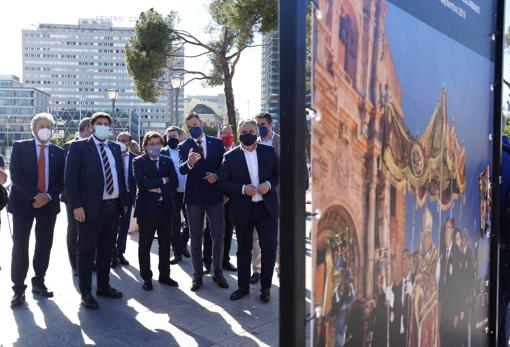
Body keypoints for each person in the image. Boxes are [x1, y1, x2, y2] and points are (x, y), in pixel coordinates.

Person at [65, 112, 129, 309]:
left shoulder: (115, 148)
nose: (103, 126)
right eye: (99, 123)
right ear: (91, 127)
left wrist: (124, 201)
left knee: (107, 249)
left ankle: (103, 286)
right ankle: (86, 292)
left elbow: (119, 176)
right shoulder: (78, 147)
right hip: (89, 209)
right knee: (85, 252)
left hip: (112, 207)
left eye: (106, 124)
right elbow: (70, 181)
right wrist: (77, 205)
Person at [9, 113, 65, 308]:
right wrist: (36, 195)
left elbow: (61, 180)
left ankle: (39, 281)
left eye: (49, 126)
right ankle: (18, 289)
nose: (46, 129)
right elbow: (16, 175)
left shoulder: (58, 152)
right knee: (20, 245)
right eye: (42, 125)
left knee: (44, 244)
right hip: (24, 204)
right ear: (33, 129)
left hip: (48, 206)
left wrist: (47, 196)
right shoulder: (20, 147)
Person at [220, 119, 279, 303]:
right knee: (243, 250)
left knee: (269, 248)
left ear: (256, 132)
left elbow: (278, 174)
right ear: (239, 134)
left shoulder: (268, 152)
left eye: (251, 130)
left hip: (266, 208)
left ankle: (266, 287)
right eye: (244, 131)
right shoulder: (230, 157)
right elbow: (224, 183)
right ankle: (242, 287)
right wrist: (242, 189)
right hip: (242, 209)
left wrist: (268, 185)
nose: (248, 133)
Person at [178, 112, 228, 291]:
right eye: (189, 126)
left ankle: (218, 272)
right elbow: (182, 169)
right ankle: (197, 275)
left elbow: (225, 167)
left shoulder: (217, 143)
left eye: (195, 124)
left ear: (201, 122)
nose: (193, 128)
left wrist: (217, 176)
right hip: (194, 198)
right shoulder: (184, 146)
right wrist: (190, 163)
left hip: (214, 196)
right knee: (196, 236)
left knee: (218, 235)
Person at [134, 131, 179, 290]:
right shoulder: (138, 161)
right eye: (151, 144)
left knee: (165, 244)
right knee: (144, 245)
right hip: (146, 210)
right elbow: (142, 183)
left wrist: (156, 186)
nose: (155, 147)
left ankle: (165, 275)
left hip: (166, 209)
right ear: (145, 146)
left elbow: (174, 183)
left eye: (158, 143)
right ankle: (146, 277)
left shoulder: (167, 161)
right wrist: (162, 181)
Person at [250, 112, 280, 284]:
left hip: (277, 196)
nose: (260, 127)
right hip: (257, 198)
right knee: (255, 237)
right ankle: (257, 269)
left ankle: (279, 267)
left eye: (262, 124)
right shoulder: (254, 143)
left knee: (277, 235)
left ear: (270, 125)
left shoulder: (280, 142)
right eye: (257, 124)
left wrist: (270, 185)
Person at [203, 124, 237, 272]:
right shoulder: (214, 150)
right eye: (224, 133)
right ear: (219, 134)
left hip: (231, 199)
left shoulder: (238, 152)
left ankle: (225, 260)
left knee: (228, 230)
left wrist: (229, 194)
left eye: (230, 133)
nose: (227, 136)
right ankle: (207, 260)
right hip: (214, 197)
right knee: (210, 230)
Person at [62, 117, 92, 276]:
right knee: (74, 230)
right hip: (73, 197)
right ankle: (75, 264)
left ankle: (88, 261)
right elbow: (67, 176)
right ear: (88, 128)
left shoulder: (96, 146)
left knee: (88, 230)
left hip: (92, 197)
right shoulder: (69, 146)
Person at [162, 126, 191, 264]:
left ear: (180, 137)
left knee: (191, 222)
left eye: (174, 136)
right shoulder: (163, 152)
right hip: (172, 193)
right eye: (169, 136)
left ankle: (183, 243)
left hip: (189, 191)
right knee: (174, 223)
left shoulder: (186, 149)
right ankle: (177, 253)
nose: (172, 138)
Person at [111, 132, 137, 268]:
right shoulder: (111, 156)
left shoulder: (135, 158)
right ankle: (112, 254)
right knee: (112, 227)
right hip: (114, 196)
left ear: (129, 142)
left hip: (128, 196)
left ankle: (120, 252)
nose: (121, 142)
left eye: (124, 140)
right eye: (118, 140)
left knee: (124, 227)